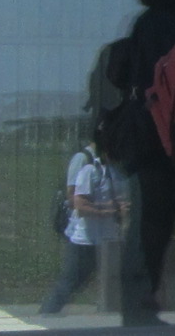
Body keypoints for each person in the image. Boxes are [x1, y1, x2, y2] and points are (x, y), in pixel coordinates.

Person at [124, 0, 175, 319]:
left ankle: (142, 299)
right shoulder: (163, 25)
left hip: (147, 135)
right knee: (156, 220)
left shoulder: (145, 24)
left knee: (150, 220)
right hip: (158, 135)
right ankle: (142, 299)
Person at [39, 133, 126, 314]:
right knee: (72, 278)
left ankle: (109, 311)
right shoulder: (84, 162)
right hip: (85, 233)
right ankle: (48, 312)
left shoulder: (112, 169)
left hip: (108, 236)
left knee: (111, 278)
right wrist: (107, 209)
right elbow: (74, 198)